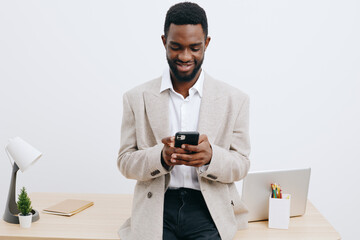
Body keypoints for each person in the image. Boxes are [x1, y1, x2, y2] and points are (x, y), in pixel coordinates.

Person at [117, 2, 250, 240]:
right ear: (164, 42)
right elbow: (125, 162)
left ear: (207, 43)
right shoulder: (135, 98)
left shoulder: (234, 99)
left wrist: (211, 157)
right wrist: (161, 156)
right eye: (176, 47)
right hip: (158, 206)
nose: (185, 56)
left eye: (195, 48)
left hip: (208, 208)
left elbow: (241, 164)